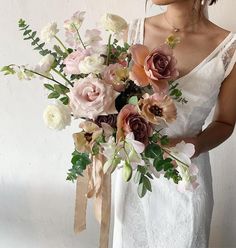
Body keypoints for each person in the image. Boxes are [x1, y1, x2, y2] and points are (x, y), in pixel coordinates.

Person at [111, 0, 236, 247]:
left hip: (185, 181)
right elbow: (114, 103)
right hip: (134, 176)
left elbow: (225, 121)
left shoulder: (228, 48)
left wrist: (194, 145)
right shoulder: (133, 34)